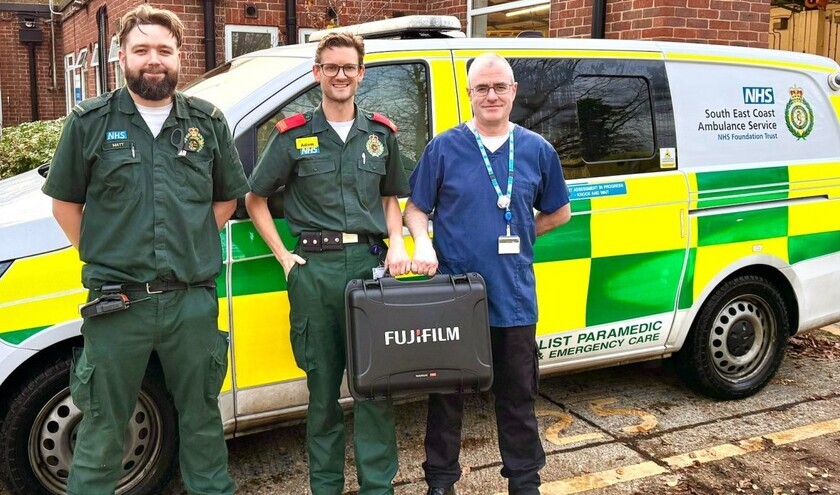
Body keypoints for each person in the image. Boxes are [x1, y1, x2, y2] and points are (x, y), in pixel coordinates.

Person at [42, 5, 248, 494]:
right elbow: (66, 206)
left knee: (202, 424)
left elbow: (227, 198)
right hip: (118, 306)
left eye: (163, 50)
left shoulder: (207, 122)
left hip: (190, 303)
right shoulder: (89, 122)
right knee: (102, 429)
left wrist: (191, 241)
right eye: (141, 50)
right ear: (121, 56)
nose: (153, 59)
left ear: (180, 56)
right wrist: (108, 253)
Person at [245, 32, 410, 494]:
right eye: (331, 67)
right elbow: (255, 198)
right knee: (322, 396)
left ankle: (378, 487)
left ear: (361, 73)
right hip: (313, 271)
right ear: (317, 73)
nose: (341, 75)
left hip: (368, 269)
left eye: (349, 67)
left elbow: (390, 196)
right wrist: (284, 258)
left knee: (376, 390)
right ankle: (326, 487)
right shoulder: (294, 134)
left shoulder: (380, 133)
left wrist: (397, 242)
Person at [404, 52, 572, 495]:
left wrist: (521, 231)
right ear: (470, 94)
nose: (491, 95)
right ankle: (440, 481)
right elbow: (416, 207)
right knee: (446, 396)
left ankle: (524, 481)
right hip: (454, 297)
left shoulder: (538, 150)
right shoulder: (444, 147)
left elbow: (559, 212)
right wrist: (422, 241)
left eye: (500, 87)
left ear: (513, 92)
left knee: (517, 397)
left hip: (513, 298)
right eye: (482, 88)